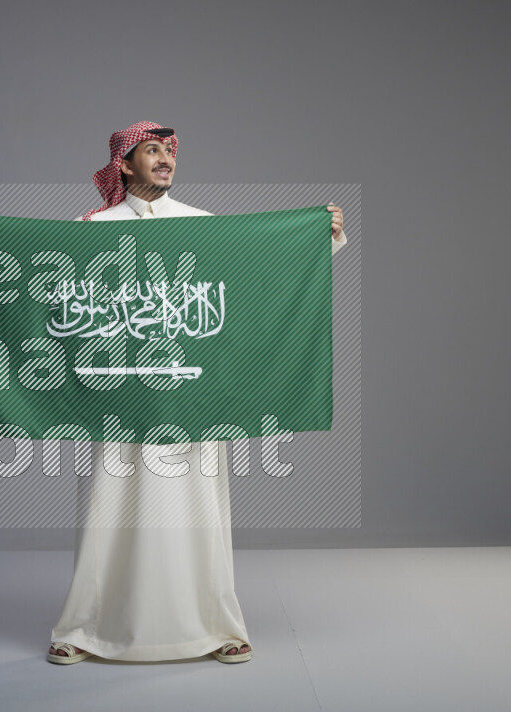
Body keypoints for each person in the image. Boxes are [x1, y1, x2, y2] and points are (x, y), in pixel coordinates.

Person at [46, 121, 348, 665]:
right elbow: (41, 282)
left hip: (192, 394)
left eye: (169, 152)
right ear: (125, 163)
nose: (165, 160)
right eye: (152, 151)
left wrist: (317, 236)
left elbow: (260, 273)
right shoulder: (90, 228)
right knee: (106, 509)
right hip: (118, 397)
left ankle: (217, 626)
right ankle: (83, 629)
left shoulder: (203, 227)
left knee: (199, 511)